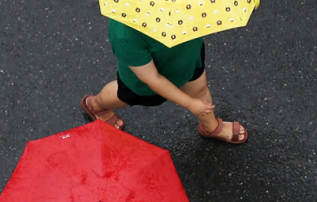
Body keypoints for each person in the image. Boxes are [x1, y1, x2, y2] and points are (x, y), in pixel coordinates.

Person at [81, 18, 247, 143]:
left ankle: (210, 126)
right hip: (148, 81)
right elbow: (152, 78)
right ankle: (97, 105)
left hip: (187, 57)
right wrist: (189, 103)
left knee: (199, 90)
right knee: (123, 95)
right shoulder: (125, 35)